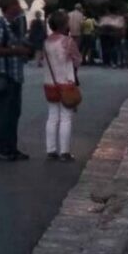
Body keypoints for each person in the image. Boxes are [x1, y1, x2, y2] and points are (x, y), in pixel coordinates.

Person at [0, 0, 37, 162]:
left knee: (14, 113)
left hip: (16, 76)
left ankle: (12, 148)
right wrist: (16, 50)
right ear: (10, 6)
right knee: (5, 114)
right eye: (16, 4)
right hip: (4, 76)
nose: (20, 7)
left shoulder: (15, 25)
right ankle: (2, 149)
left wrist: (28, 49)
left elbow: (22, 44)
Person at [39, 10, 83, 161]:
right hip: (66, 82)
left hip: (50, 83)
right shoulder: (68, 41)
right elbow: (77, 60)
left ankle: (51, 149)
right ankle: (64, 151)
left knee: (52, 116)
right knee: (66, 117)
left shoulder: (46, 42)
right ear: (65, 25)